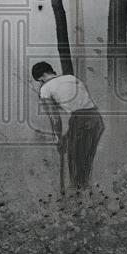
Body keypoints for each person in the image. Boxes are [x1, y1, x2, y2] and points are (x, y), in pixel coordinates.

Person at [31, 62, 105, 190]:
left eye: (40, 81)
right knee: (86, 161)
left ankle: (76, 197)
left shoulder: (45, 88)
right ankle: (86, 195)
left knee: (75, 163)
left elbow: (55, 118)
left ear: (41, 78)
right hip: (96, 119)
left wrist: (58, 138)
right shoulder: (72, 78)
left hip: (80, 121)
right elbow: (77, 102)